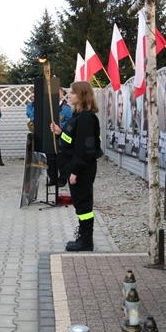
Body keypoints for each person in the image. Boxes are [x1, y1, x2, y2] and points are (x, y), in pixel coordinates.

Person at [51, 81, 102, 252]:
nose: (69, 95)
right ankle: (84, 237)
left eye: (72, 93)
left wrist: (75, 171)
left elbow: (84, 149)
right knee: (80, 203)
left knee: (83, 204)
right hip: (75, 166)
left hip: (82, 169)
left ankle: (86, 240)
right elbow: (72, 140)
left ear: (81, 95)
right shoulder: (78, 115)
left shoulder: (86, 118)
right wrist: (60, 132)